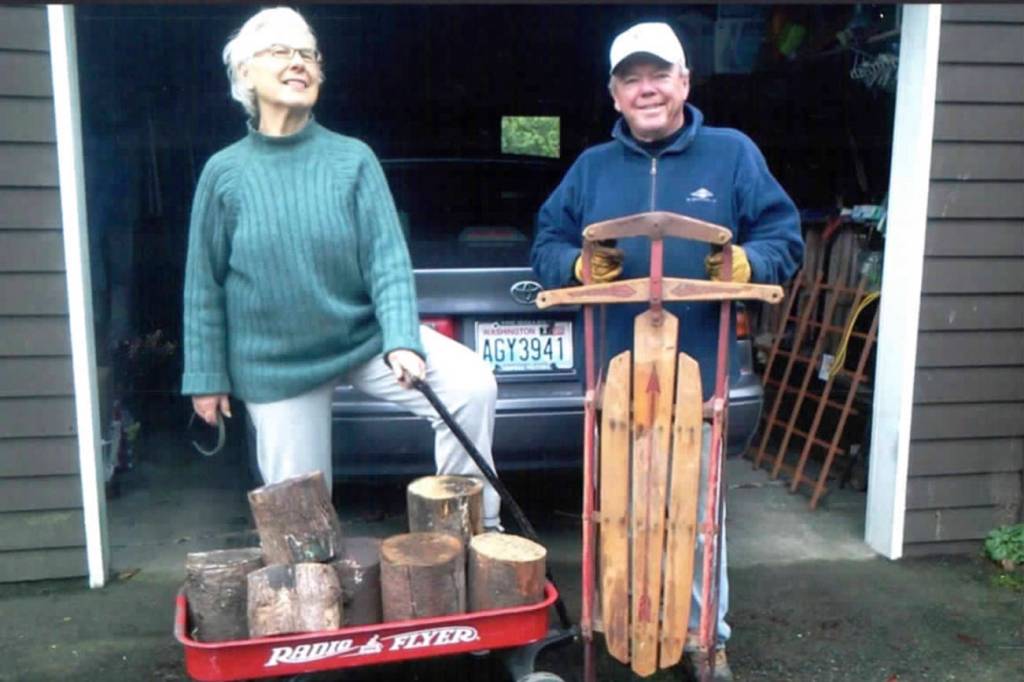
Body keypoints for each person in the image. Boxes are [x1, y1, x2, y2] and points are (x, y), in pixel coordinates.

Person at [530, 21, 804, 681]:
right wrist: (576, 265)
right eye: (631, 78)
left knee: (695, 512)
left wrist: (747, 261)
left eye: (659, 75)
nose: (646, 89)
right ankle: (620, 627)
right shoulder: (592, 167)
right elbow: (544, 246)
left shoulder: (732, 154)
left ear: (683, 82)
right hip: (617, 376)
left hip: (699, 375)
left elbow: (784, 236)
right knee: (617, 506)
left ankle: (704, 638)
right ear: (615, 94)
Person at [182, 7, 502, 529]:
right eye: (281, 52)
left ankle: (472, 531)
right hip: (276, 365)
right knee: (299, 518)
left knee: (471, 385)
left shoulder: (353, 159)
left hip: (362, 339)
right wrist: (205, 375)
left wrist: (401, 337)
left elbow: (388, 259)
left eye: (308, 54)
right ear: (245, 73)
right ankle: (311, 599)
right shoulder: (224, 173)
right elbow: (204, 284)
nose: (299, 63)